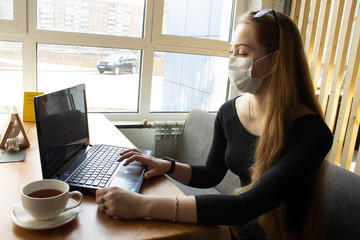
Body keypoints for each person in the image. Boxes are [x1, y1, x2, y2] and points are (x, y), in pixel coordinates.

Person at [95, 8, 333, 240]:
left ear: (275, 59)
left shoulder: (311, 132)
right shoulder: (230, 111)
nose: (232, 61)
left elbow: (247, 205)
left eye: (242, 53)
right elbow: (211, 175)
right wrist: (166, 165)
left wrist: (143, 205)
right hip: (239, 227)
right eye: (231, 51)